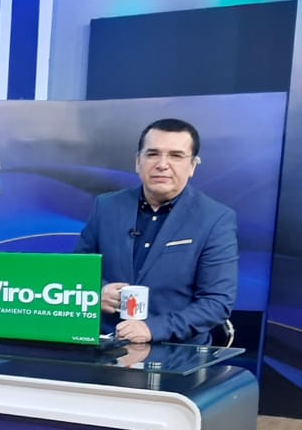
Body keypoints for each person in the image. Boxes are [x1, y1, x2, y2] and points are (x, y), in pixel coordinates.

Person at [75, 118, 237, 345]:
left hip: (176, 352)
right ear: (138, 162)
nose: (162, 164)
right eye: (152, 154)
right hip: (104, 346)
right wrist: (96, 294)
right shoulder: (106, 207)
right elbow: (77, 275)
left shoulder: (215, 219)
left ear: (192, 166)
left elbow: (216, 302)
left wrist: (153, 329)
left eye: (176, 156)